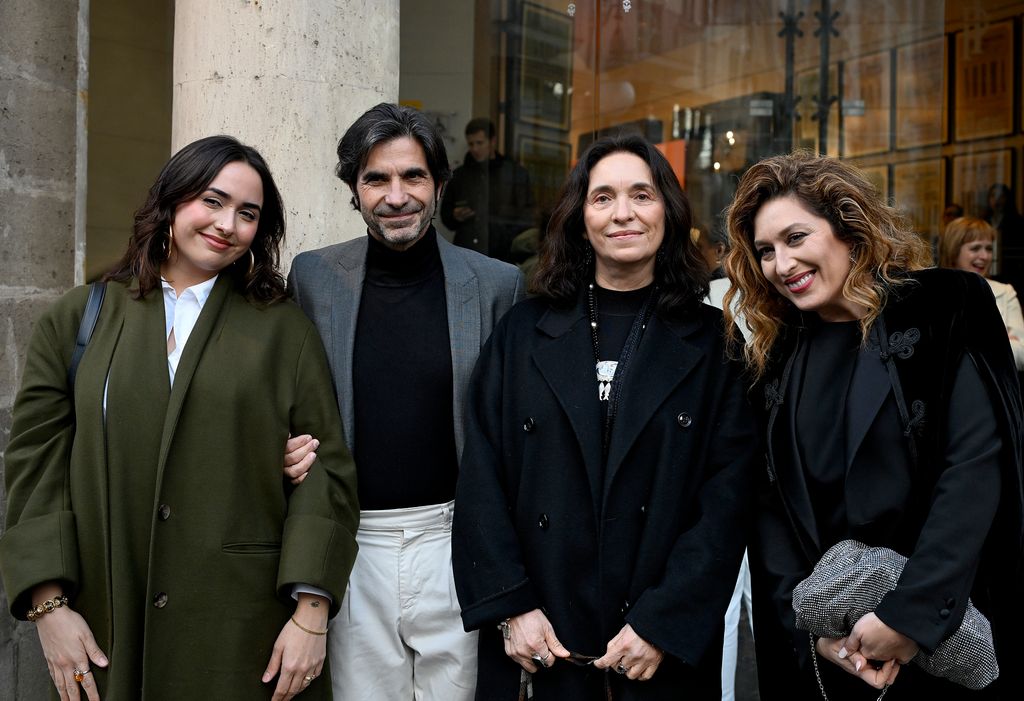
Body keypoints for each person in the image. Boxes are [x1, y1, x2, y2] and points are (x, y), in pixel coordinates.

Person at [0, 136, 360, 701]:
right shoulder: (81, 316)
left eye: (248, 214)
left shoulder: (282, 331)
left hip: (242, 629)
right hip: (104, 617)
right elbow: (35, 466)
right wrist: (49, 608)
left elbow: (327, 471)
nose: (227, 224)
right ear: (171, 201)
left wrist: (311, 617)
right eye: (211, 201)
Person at [452, 134, 758, 700]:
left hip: (655, 650)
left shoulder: (714, 344)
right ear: (579, 216)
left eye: (642, 194)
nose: (623, 213)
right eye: (603, 197)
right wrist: (511, 608)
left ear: (667, 209)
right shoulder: (522, 334)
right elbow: (482, 479)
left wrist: (662, 623)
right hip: (540, 644)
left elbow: (729, 499)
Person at [724, 152, 1024, 699]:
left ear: (847, 226)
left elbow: (975, 469)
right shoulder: (774, 353)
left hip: (938, 635)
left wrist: (905, 621)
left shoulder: (942, 308)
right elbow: (769, 511)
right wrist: (816, 637)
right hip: (828, 658)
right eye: (765, 251)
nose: (780, 263)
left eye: (795, 237)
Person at [285, 103, 523, 701]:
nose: (397, 196)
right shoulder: (312, 278)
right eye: (376, 179)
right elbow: (288, 395)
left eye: (413, 177)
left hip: (454, 539)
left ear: (439, 185)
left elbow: (515, 426)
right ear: (353, 190)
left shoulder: (496, 285)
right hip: (352, 541)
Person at [440, 117, 534, 262]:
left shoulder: (514, 173)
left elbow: (526, 216)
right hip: (466, 252)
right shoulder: (459, 175)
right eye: (471, 144)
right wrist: (455, 215)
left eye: (479, 143)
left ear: (493, 141)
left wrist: (506, 238)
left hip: (503, 254)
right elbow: (445, 216)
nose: (475, 149)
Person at [939, 216, 1024, 370]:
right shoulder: (935, 291)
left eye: (989, 249)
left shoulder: (1005, 292)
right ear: (953, 250)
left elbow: (1021, 354)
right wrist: (999, 341)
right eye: (975, 248)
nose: (985, 256)